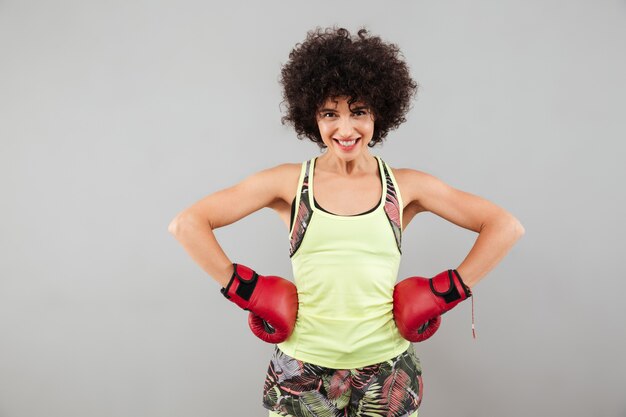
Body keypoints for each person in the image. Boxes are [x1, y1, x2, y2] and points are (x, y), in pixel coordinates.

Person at [168, 26, 524, 417]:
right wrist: (243, 288)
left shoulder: (405, 186)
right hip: (302, 370)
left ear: (378, 113)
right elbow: (188, 223)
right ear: (312, 117)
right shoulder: (290, 183)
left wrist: (447, 291)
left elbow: (504, 226)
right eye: (329, 114)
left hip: (386, 372)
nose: (345, 129)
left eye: (358, 112)